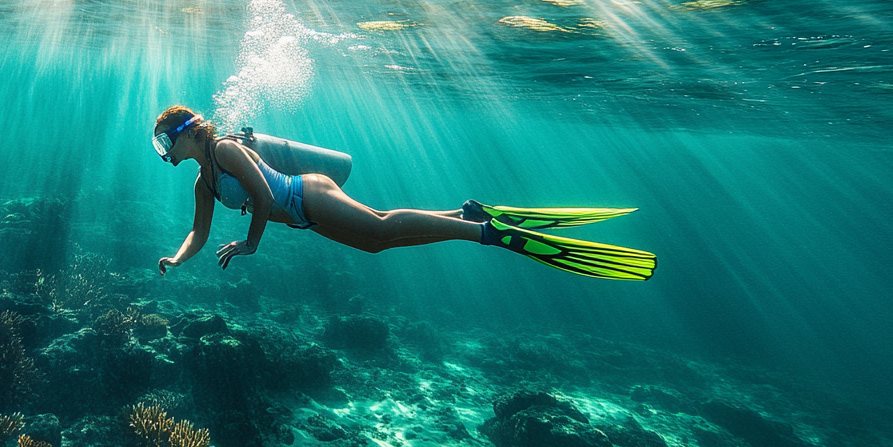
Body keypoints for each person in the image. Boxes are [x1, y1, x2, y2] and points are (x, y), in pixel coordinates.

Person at [151, 105, 655, 280]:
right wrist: (176, 260)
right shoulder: (203, 181)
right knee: (375, 242)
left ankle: (485, 232)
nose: (163, 152)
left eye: (163, 142)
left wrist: (253, 243)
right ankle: (466, 214)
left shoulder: (225, 152)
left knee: (382, 225)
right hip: (303, 214)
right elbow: (198, 232)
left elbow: (262, 197)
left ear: (187, 133)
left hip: (307, 195)